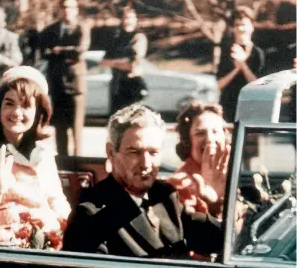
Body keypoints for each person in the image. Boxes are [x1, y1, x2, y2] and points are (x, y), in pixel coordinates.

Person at [63, 104, 223, 259]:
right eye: (134, 152)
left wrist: (217, 203)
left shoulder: (164, 196)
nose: (146, 164)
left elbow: (218, 240)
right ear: (111, 152)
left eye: (153, 152)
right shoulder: (91, 216)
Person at [0, 66, 71, 249]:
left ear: (38, 113)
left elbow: (58, 203)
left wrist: (56, 224)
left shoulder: (44, 155)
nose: (17, 113)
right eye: (9, 104)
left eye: (26, 105)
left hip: (50, 251)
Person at [40, 0, 91, 156]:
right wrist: (66, 52)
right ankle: (63, 163)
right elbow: (44, 52)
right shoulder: (51, 29)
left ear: (76, 11)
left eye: (71, 7)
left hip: (76, 85)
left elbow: (80, 50)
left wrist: (58, 50)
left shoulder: (82, 28)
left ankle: (78, 163)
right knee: (60, 129)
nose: (67, 11)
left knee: (76, 130)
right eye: (65, 7)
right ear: (60, 10)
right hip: (57, 84)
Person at [166, 101, 231, 219]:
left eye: (215, 131)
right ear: (187, 141)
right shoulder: (177, 185)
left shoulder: (230, 174)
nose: (210, 139)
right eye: (200, 133)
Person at [217, 6, 265, 122]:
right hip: (228, 108)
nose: (241, 28)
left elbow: (258, 85)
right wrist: (236, 69)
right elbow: (219, 85)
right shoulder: (226, 51)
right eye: (237, 25)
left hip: (251, 107)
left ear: (252, 27)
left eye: (244, 24)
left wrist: (243, 64)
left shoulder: (258, 53)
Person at [100, 6, 148, 114]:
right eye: (125, 18)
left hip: (132, 84)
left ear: (136, 20)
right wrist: (120, 62)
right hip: (116, 84)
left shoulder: (138, 37)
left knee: (130, 118)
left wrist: (114, 63)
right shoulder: (116, 38)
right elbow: (103, 62)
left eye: (131, 18)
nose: (128, 21)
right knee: (115, 118)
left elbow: (132, 65)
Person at [0, 5, 23, 75]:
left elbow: (17, 62)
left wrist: (1, 59)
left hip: (7, 79)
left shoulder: (12, 38)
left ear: (3, 20)